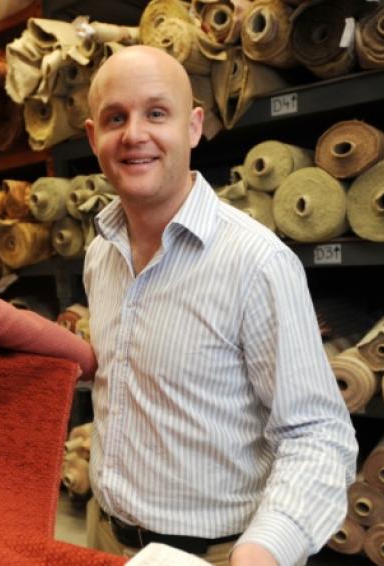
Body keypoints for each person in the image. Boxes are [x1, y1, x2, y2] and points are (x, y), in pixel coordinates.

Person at [81, 45, 358, 566]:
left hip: (220, 554)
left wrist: (264, 549)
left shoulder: (256, 263)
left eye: (156, 113)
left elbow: (317, 435)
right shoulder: (101, 252)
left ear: (193, 126)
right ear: (94, 137)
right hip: (107, 539)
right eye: (116, 118)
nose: (135, 134)